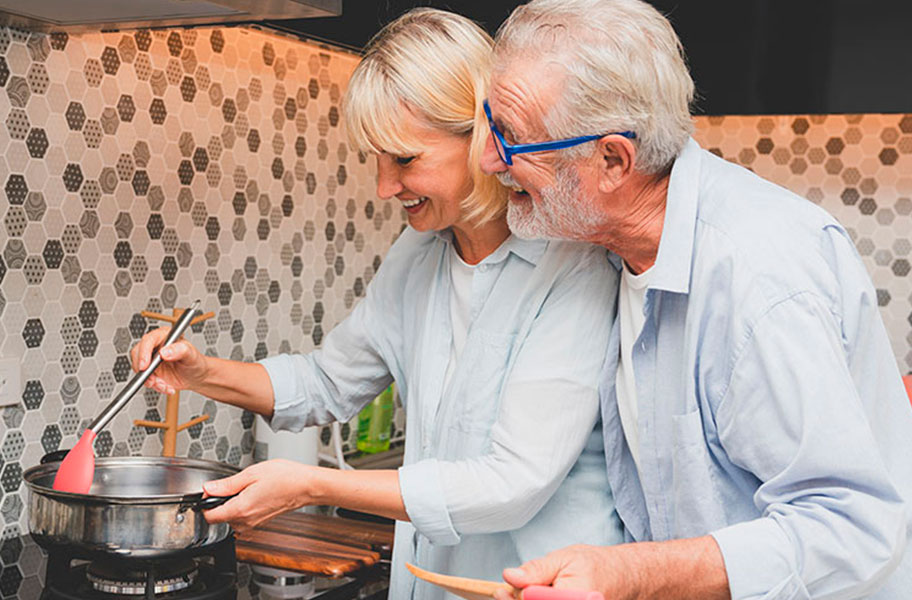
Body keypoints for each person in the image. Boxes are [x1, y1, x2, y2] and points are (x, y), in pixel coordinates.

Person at [131, 9, 623, 599]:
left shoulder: (573, 262)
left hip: (537, 589)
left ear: (483, 137)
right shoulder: (419, 254)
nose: (385, 187)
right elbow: (326, 381)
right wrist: (201, 373)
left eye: (405, 160)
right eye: (378, 160)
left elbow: (511, 483)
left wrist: (313, 486)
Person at [478, 0, 912, 598]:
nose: (488, 157)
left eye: (511, 137)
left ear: (611, 161)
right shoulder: (613, 247)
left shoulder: (757, 277)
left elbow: (850, 526)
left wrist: (632, 575)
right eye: (489, 121)